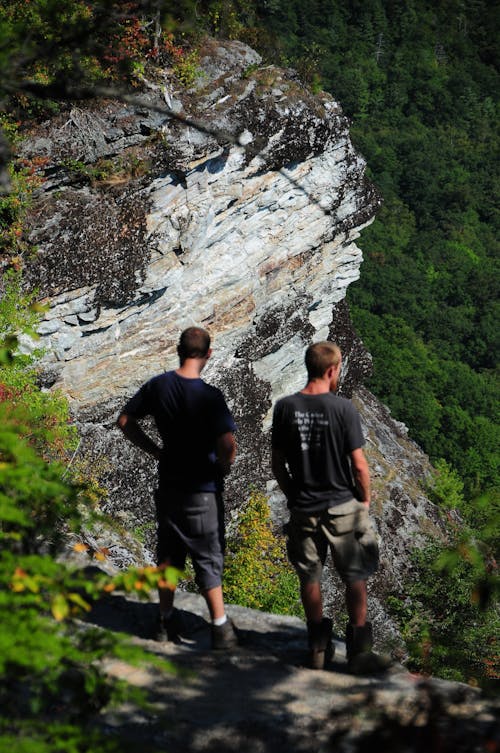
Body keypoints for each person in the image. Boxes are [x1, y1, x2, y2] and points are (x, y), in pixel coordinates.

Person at [117, 326, 238, 650]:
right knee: (207, 556)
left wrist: (155, 450)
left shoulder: (159, 386)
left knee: (169, 555)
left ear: (178, 350)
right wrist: (223, 466)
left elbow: (125, 421)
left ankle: (164, 621)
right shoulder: (210, 397)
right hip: (202, 488)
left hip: (170, 484)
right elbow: (228, 443)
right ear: (208, 354)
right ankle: (220, 628)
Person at [271, 341, 389, 673]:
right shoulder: (343, 410)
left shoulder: (285, 407)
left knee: (309, 576)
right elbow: (360, 465)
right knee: (355, 576)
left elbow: (277, 463)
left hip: (304, 506)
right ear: (332, 370)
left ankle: (317, 645)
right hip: (342, 505)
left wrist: (294, 495)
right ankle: (359, 649)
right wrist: (364, 500)